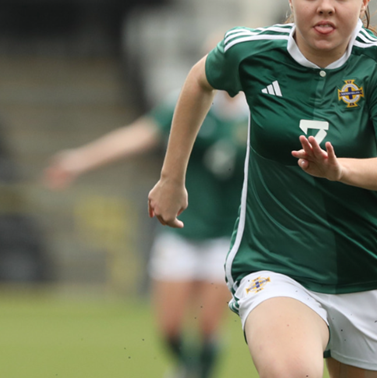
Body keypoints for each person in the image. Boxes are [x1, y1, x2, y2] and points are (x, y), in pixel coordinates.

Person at [148, 0, 377, 378]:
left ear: (365, 0)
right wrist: (171, 178)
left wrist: (338, 170)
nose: (325, 5)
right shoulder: (250, 51)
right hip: (274, 266)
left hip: (365, 275)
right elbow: (199, 81)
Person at [44, 87, 248, 378]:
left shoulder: (253, 114)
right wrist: (79, 161)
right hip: (180, 231)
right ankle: (188, 369)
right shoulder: (190, 104)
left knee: (207, 328)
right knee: (170, 328)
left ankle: (198, 373)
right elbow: (139, 135)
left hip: (225, 237)